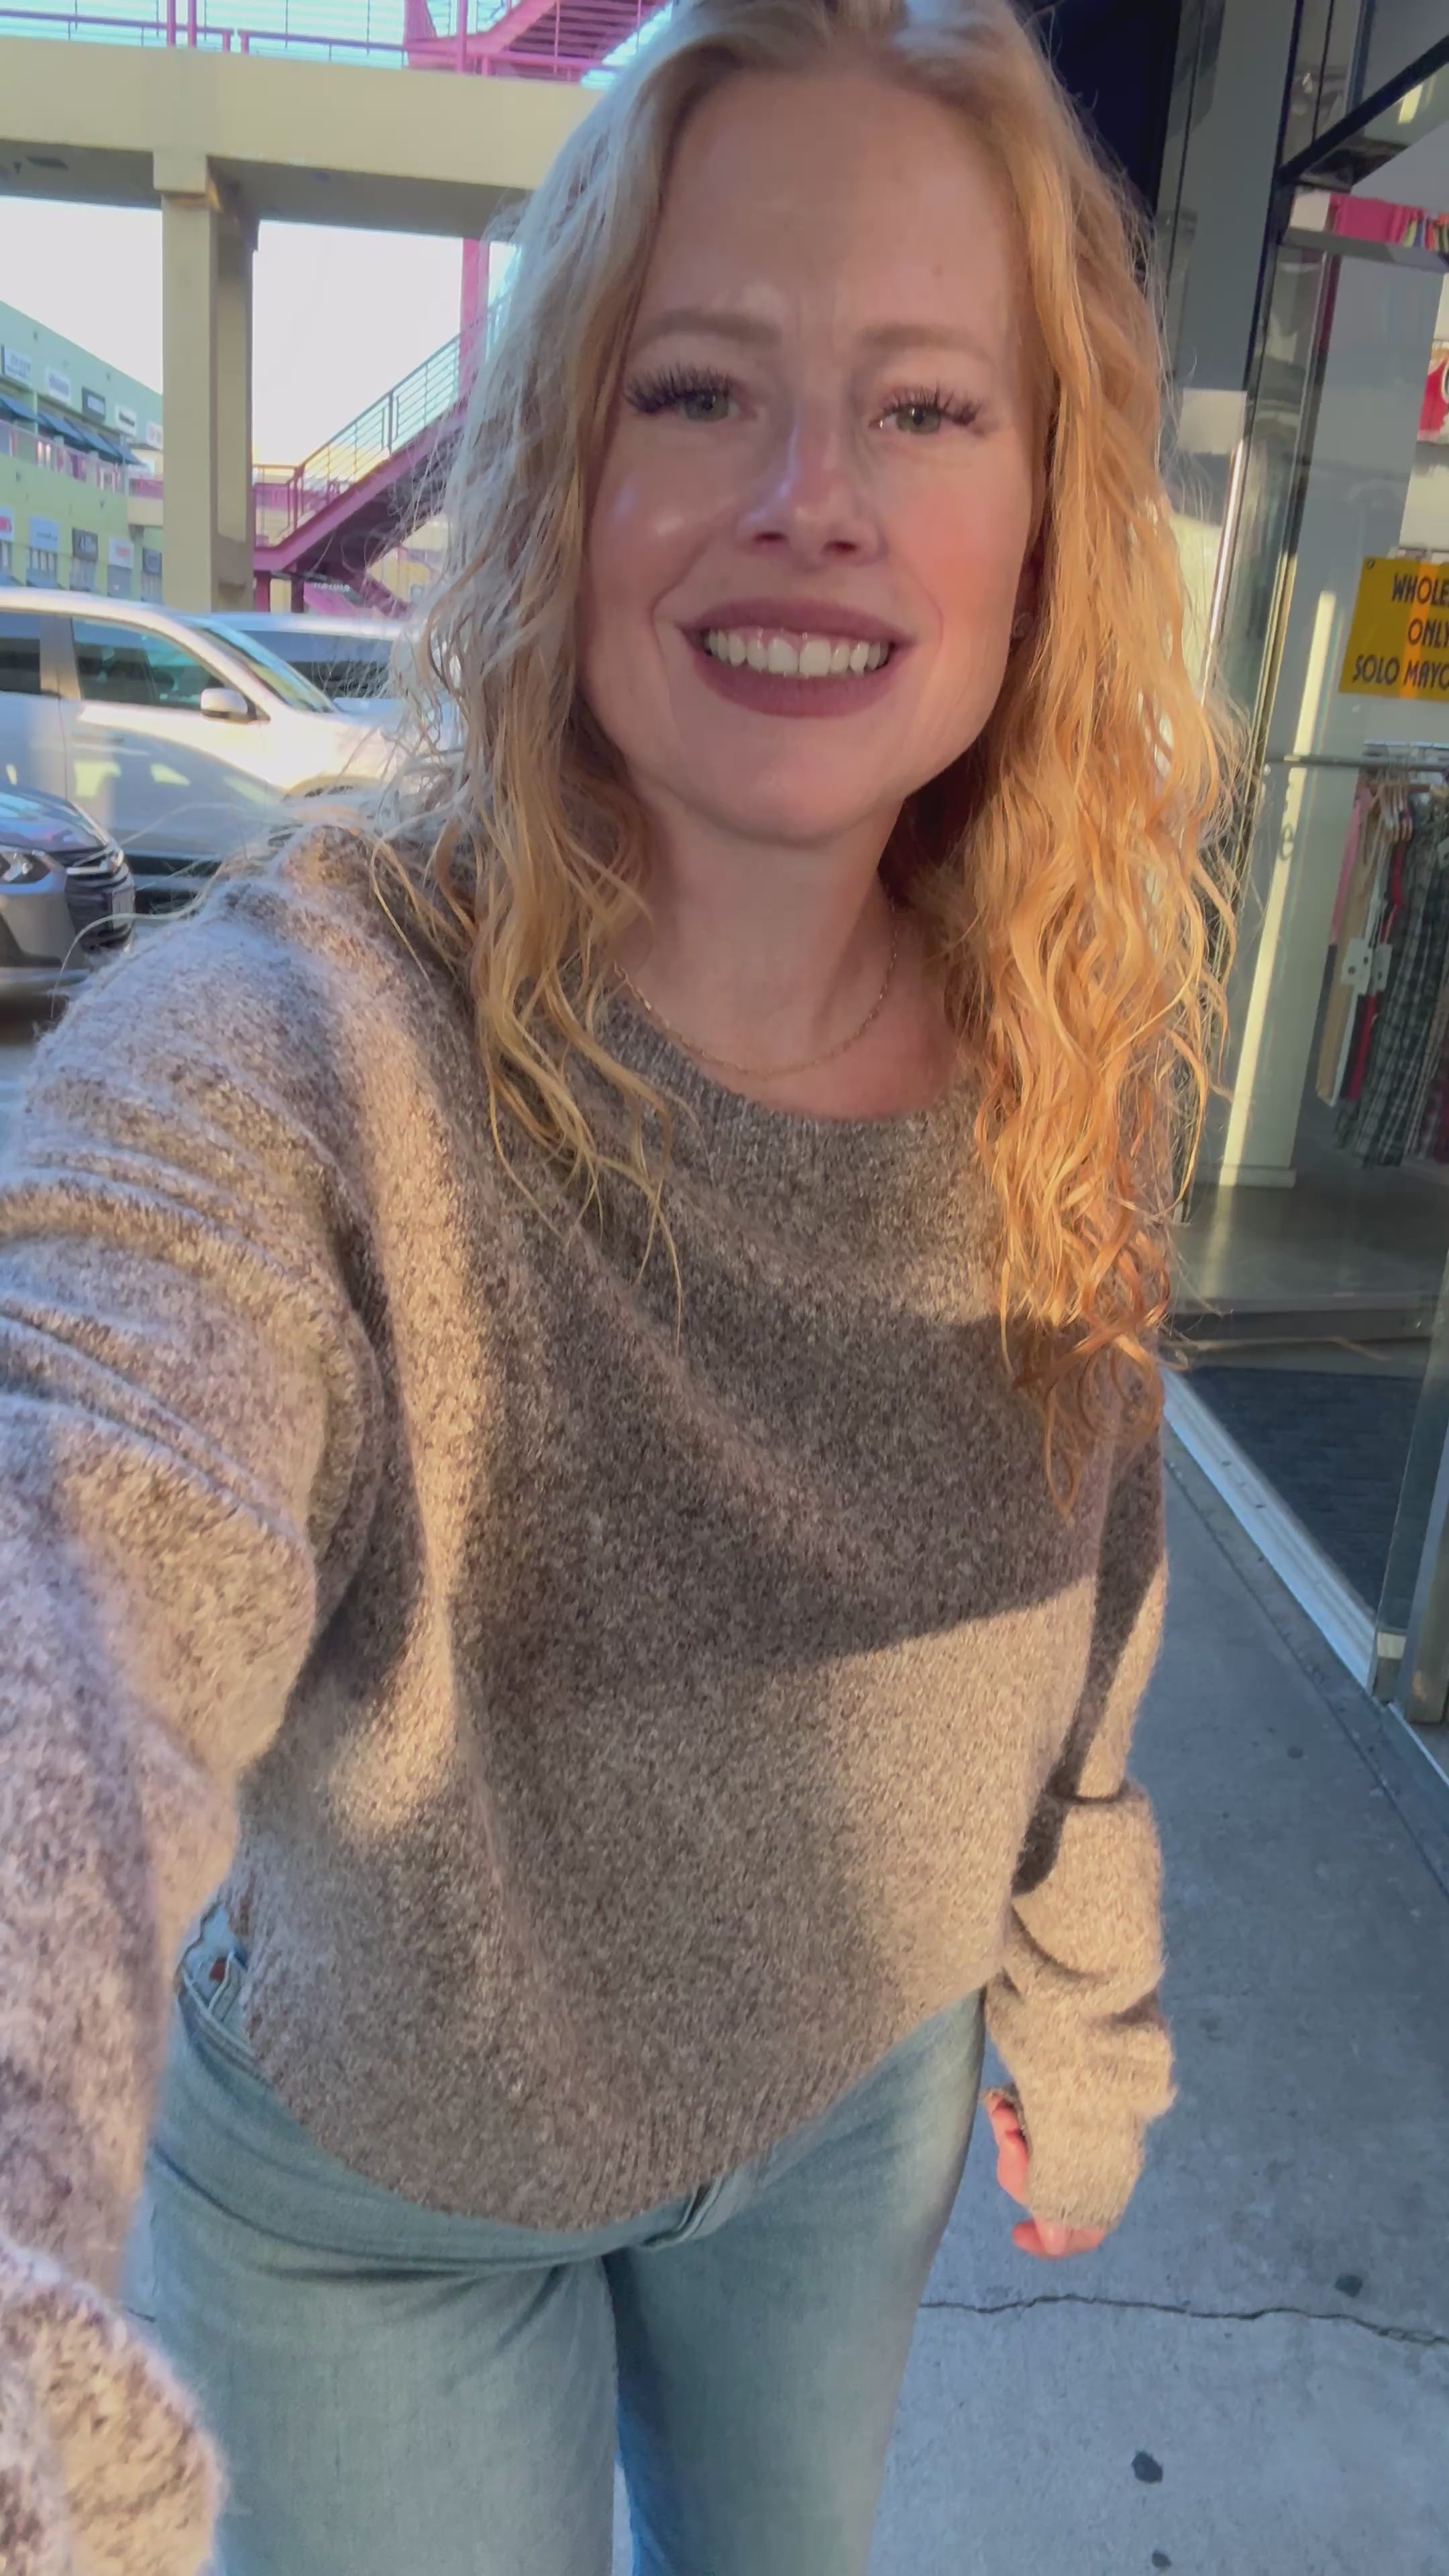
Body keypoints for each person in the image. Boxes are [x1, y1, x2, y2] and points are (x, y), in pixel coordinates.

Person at [0, 3, 1234, 2571]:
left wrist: (1084, 1995)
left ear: (1047, 513)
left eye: (925, 408)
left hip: (857, 2099)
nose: (811, 501)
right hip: (374, 2192)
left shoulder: (1069, 1030)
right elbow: (83, 1507)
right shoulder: (306, 1047)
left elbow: (1088, 1589)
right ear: (564, 466)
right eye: (697, 391)